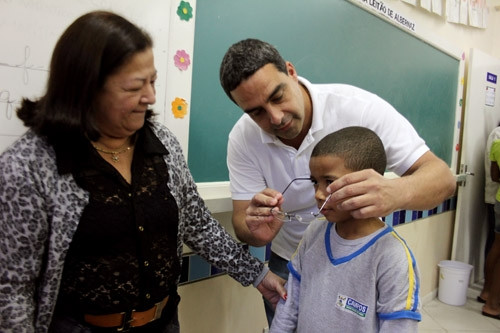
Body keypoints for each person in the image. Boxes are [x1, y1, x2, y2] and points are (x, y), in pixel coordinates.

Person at [0, 12, 285, 332]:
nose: (150, 97)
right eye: (136, 86)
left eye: (152, 81)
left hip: (162, 322)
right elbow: (13, 288)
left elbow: (199, 226)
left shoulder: (161, 142)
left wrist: (257, 275)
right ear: (87, 88)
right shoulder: (29, 165)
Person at [219, 38, 456, 323]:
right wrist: (254, 230)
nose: (276, 118)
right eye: (256, 112)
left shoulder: (359, 109)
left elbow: (443, 178)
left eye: (277, 96)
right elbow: (243, 224)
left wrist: (396, 192)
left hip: (362, 259)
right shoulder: (242, 139)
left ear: (291, 72)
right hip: (291, 261)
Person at [270, 126, 421, 332]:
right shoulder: (314, 233)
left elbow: (399, 326)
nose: (319, 194)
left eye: (330, 182)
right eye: (315, 182)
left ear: (369, 183)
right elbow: (290, 305)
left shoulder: (392, 256)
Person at [479, 124, 500, 304]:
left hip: (496, 198)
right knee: (496, 244)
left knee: (495, 243)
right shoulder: (498, 137)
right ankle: (489, 295)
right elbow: (495, 175)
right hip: (495, 198)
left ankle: (489, 292)